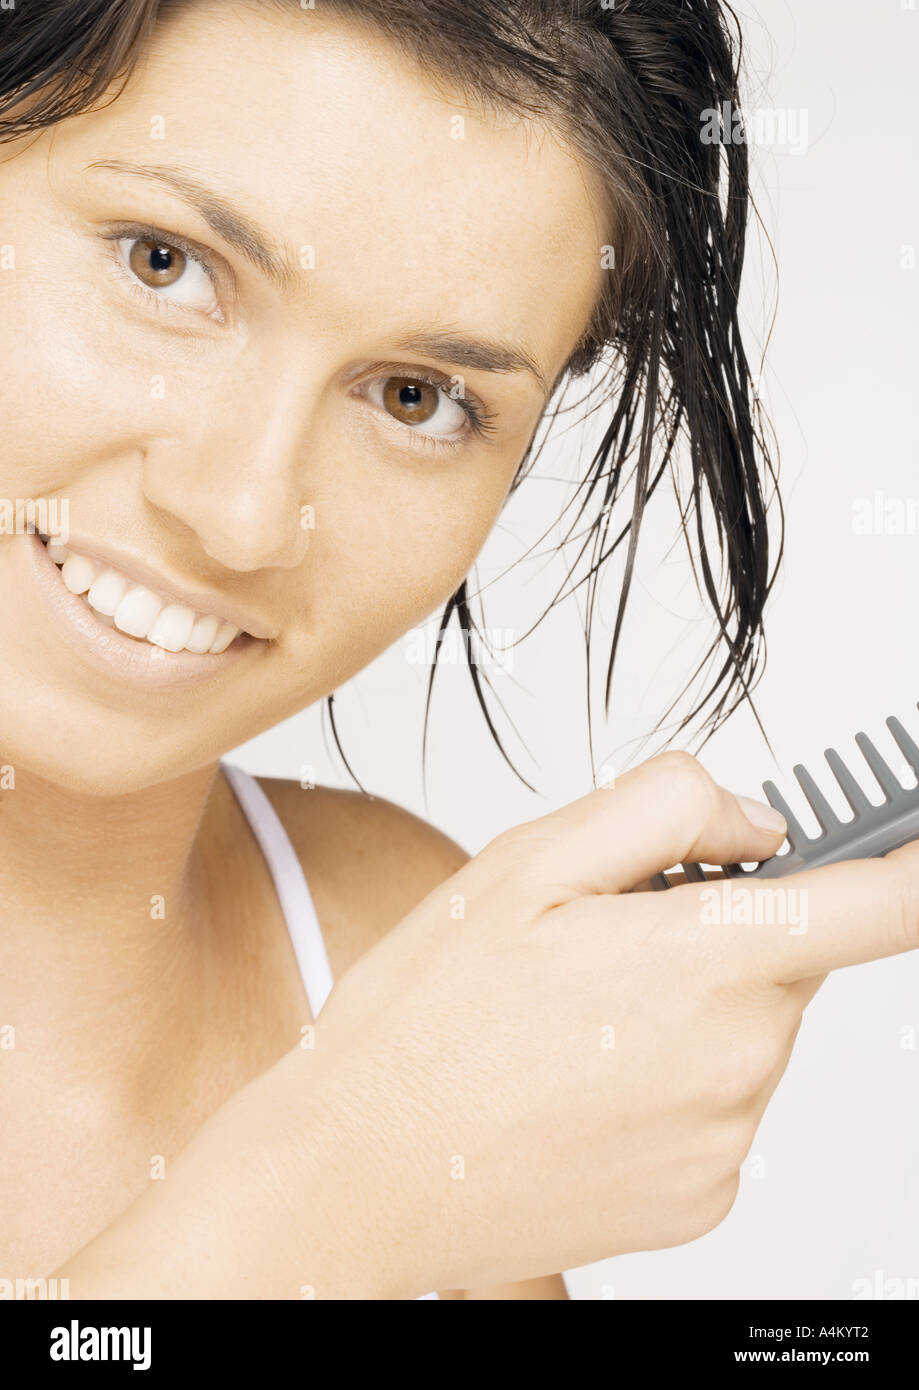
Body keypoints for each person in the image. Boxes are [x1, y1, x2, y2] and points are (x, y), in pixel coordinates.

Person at [0, 0, 915, 1300]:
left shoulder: (404, 957)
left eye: (416, 398)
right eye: (164, 263)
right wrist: (334, 1191)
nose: (244, 513)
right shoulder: (412, 1089)